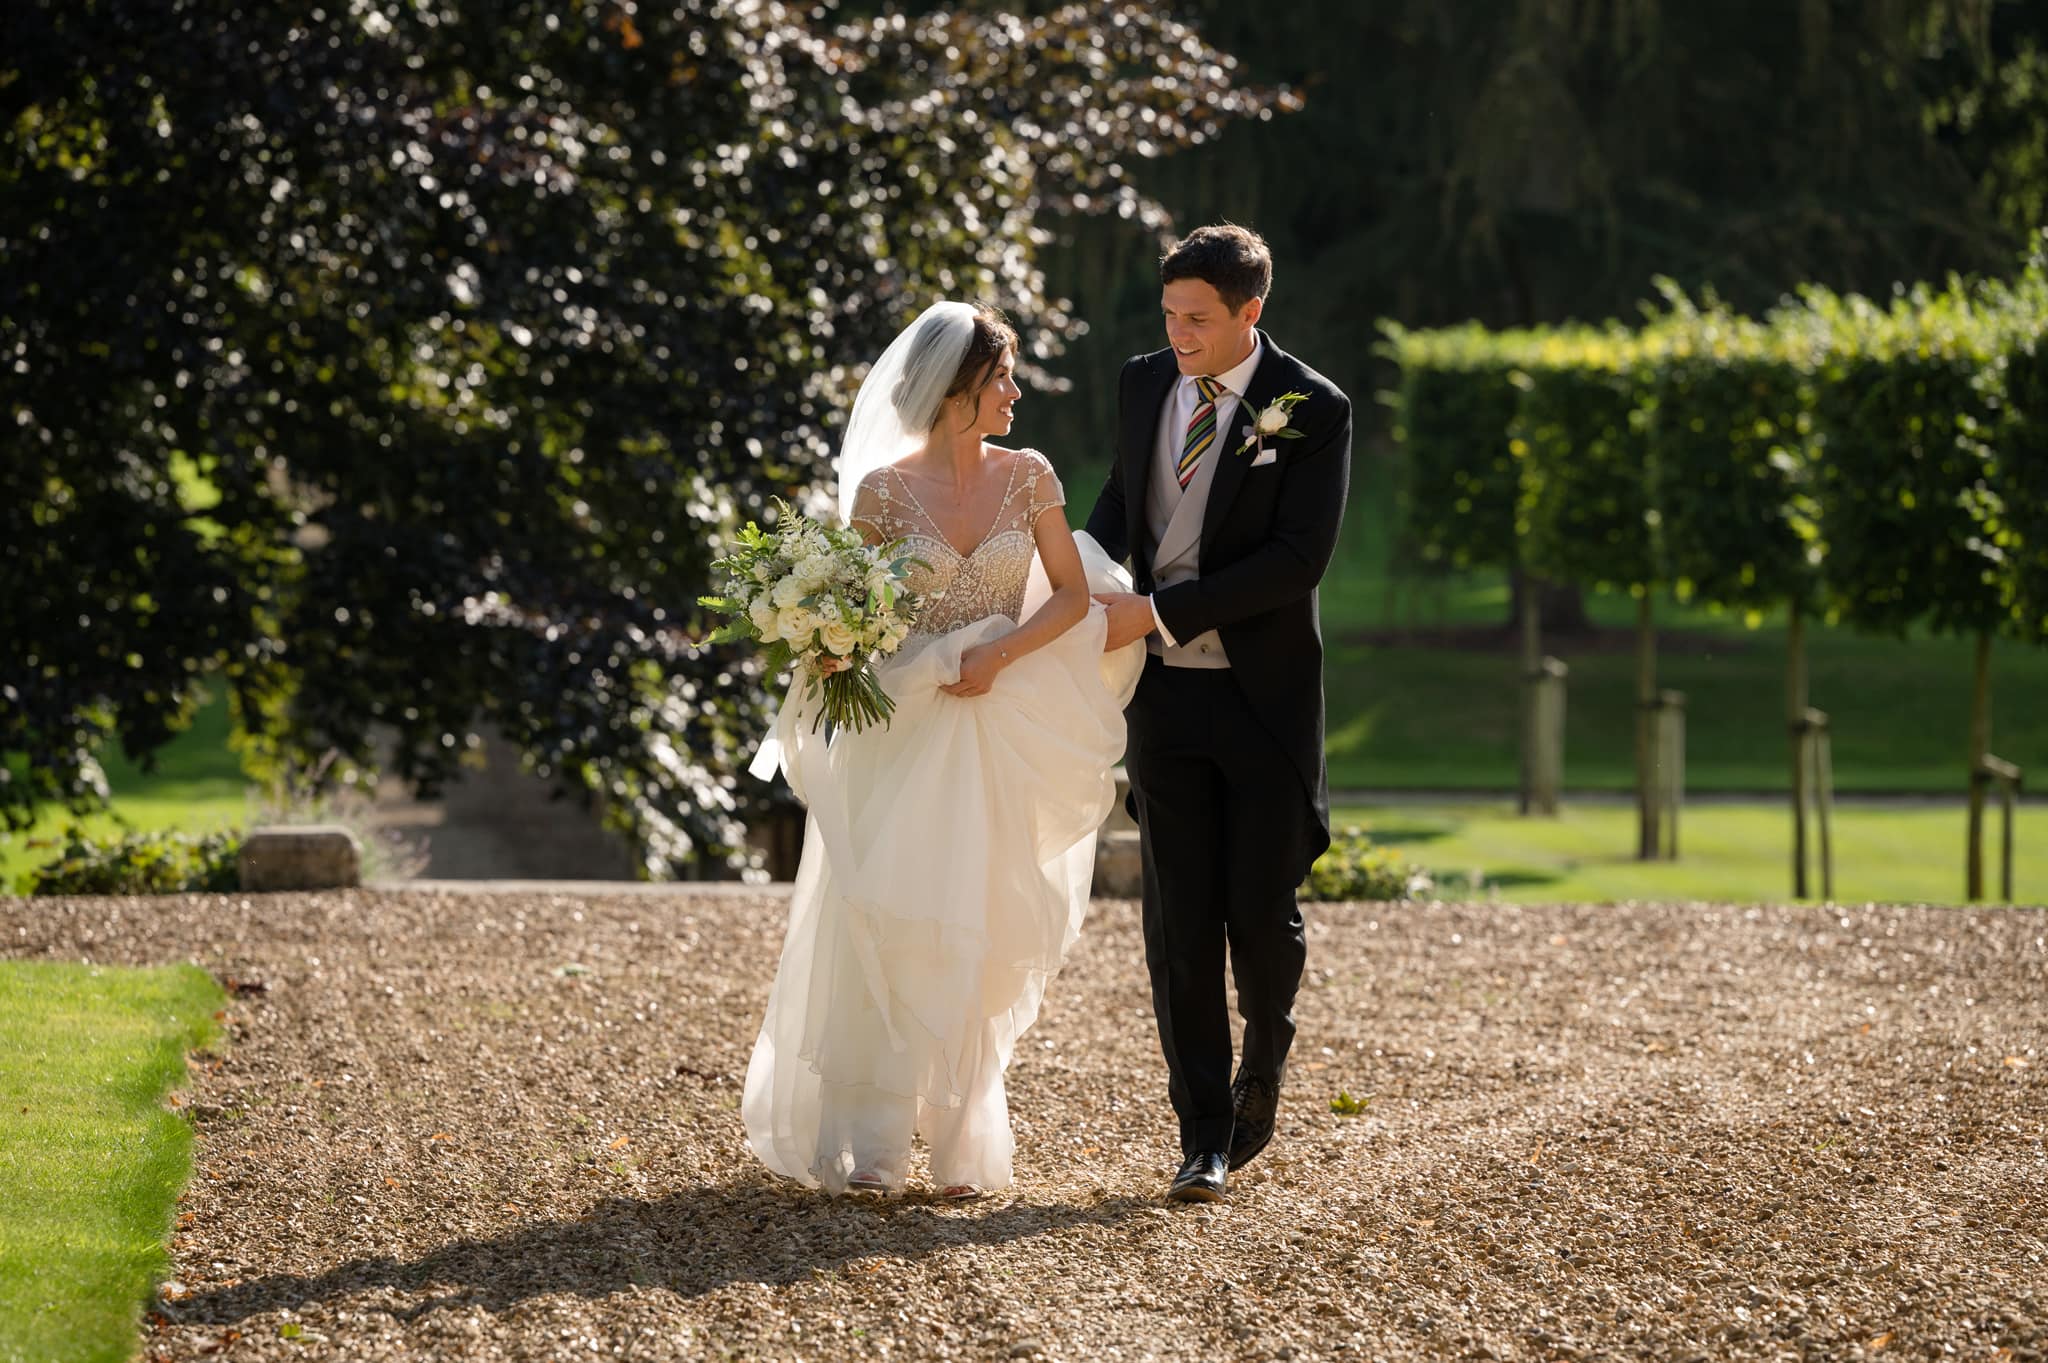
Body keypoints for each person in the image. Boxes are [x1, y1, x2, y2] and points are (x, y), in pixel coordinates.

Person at [742, 301, 1144, 1199]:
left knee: (983, 925)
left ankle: (963, 1143)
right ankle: (876, 1148)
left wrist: (996, 654)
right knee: (889, 920)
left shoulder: (1030, 475)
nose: (1014, 391)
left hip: (1004, 725)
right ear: (960, 386)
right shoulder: (882, 492)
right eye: (1002, 376)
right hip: (908, 728)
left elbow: (1074, 597)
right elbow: (849, 613)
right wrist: (840, 642)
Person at [1085, 224, 1353, 1203]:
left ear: (1251, 312)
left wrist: (1156, 608)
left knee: (1259, 914)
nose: (1178, 335)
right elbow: (1123, 494)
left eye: (1198, 319)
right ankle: (1200, 1131)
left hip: (1263, 701)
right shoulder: (1141, 382)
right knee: (1178, 926)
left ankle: (1261, 1072)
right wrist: (1076, 570)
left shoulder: (1311, 409)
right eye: (1167, 315)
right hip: (1163, 700)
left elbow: (1296, 562)